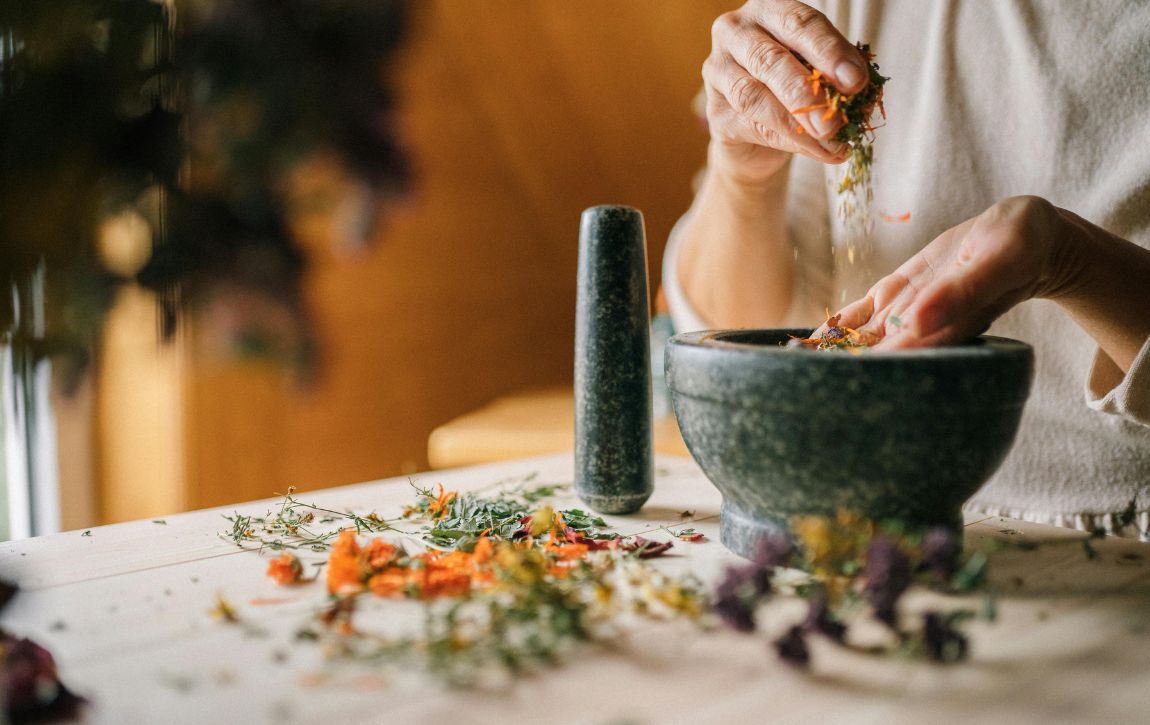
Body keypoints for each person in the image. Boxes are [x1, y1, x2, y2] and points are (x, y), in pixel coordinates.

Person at [664, 0, 1150, 536]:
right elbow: (737, 327)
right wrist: (743, 174)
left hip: (1115, 531)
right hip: (855, 512)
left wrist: (1073, 261)